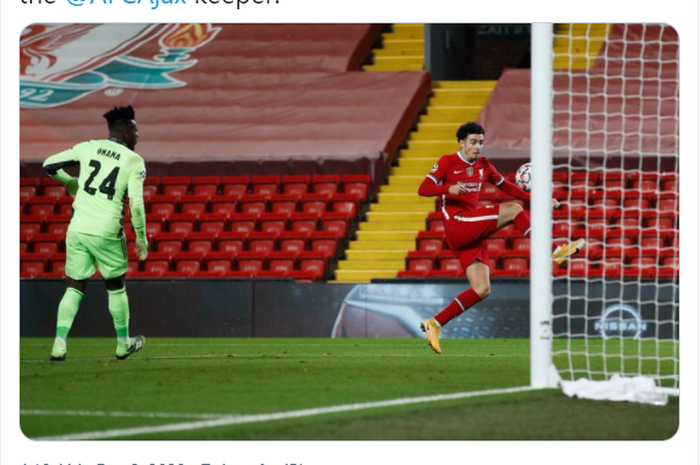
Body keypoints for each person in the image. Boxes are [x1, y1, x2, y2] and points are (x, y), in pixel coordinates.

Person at [417, 122, 584, 354]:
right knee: (514, 209)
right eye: (473, 142)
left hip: (471, 233)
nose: (477, 147)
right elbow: (423, 189)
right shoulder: (447, 162)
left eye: (481, 143)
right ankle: (555, 250)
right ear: (462, 142)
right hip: (458, 224)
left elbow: (507, 187)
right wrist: (448, 188)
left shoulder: (484, 166)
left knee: (482, 289)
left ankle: (435, 323)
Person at [43, 105, 148, 361]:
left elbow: (49, 165)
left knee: (74, 286)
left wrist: (69, 181)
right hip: (106, 229)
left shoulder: (87, 147)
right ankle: (123, 344)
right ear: (124, 132)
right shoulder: (133, 160)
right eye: (135, 131)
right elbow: (135, 203)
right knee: (115, 285)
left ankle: (59, 344)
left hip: (78, 227)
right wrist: (141, 238)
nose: (137, 136)